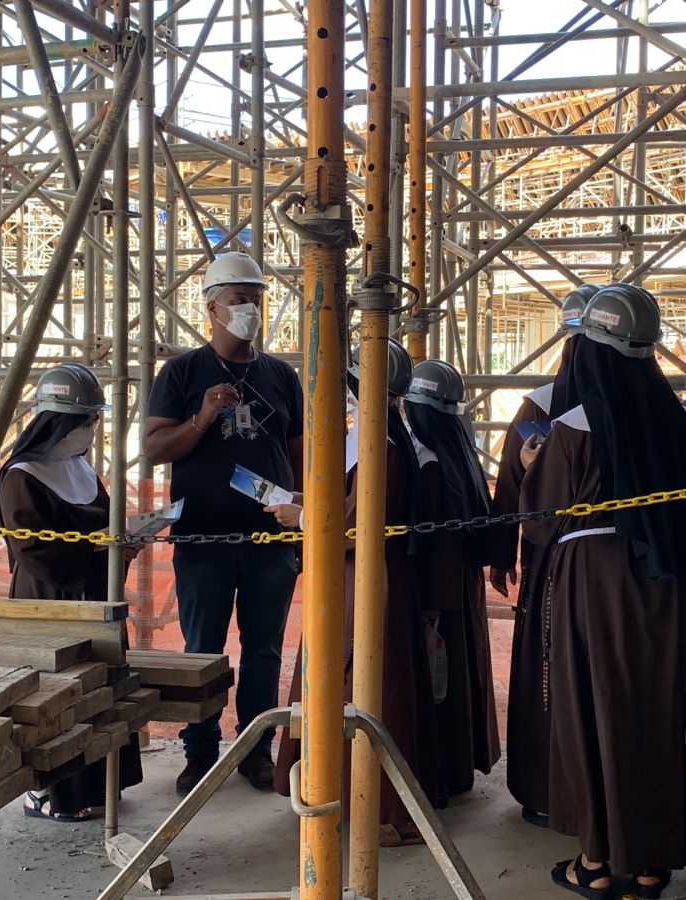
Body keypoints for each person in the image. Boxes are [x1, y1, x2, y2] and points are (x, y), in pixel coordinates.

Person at [518, 284, 686, 898]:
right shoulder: (676, 422)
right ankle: (654, 860)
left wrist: (534, 467)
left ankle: (599, 863)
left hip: (595, 584)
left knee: (595, 710)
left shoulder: (575, 426)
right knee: (658, 713)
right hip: (669, 586)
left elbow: (544, 514)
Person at [143, 251, 305, 796]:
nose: (250, 309)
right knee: (203, 648)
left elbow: (299, 452)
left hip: (270, 539)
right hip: (205, 539)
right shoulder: (183, 373)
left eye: (256, 299)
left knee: (263, 649)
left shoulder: (281, 375)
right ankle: (200, 753)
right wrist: (203, 417)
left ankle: (255, 749)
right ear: (211, 307)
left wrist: (305, 507)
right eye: (239, 300)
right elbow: (154, 447)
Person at [271, 339, 443, 847]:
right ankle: (351, 792)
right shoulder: (378, 437)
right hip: (360, 575)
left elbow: (359, 514)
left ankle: (383, 807)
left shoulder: (380, 443)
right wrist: (305, 503)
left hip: (368, 580)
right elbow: (349, 499)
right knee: (353, 681)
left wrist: (301, 516)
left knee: (367, 684)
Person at [0, 364, 145, 820]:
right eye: (85, 421)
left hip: (94, 596)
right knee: (59, 701)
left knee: (103, 692)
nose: (91, 430)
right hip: (48, 601)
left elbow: (104, 521)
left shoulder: (80, 468)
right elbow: (37, 553)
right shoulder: (22, 476)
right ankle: (52, 794)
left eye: (94, 420)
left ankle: (102, 785)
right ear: (58, 422)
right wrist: (103, 552)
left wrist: (124, 542)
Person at [488, 284, 596, 825]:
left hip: (553, 559)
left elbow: (513, 481)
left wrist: (502, 551)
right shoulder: (639, 404)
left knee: (549, 669)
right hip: (604, 571)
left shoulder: (544, 404)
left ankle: (547, 787)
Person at [404, 359, 501, 798]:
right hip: (462, 588)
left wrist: (427, 602)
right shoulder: (459, 452)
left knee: (438, 684)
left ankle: (440, 773)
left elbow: (431, 538)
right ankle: (457, 770)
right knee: (457, 680)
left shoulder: (427, 462)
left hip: (438, 593)